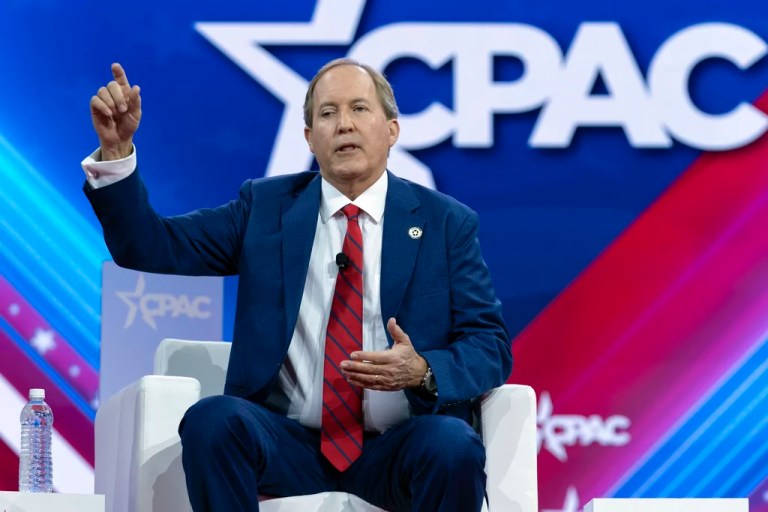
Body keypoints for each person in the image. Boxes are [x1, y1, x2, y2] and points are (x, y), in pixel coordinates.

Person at [83, 59, 512, 512]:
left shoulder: (446, 223)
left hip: (399, 447)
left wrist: (422, 370)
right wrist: (116, 153)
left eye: (359, 109)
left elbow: (490, 345)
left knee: (452, 444)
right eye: (327, 113)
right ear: (309, 138)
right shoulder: (265, 209)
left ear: (391, 130)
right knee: (213, 421)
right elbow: (152, 247)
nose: (344, 124)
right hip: (288, 445)